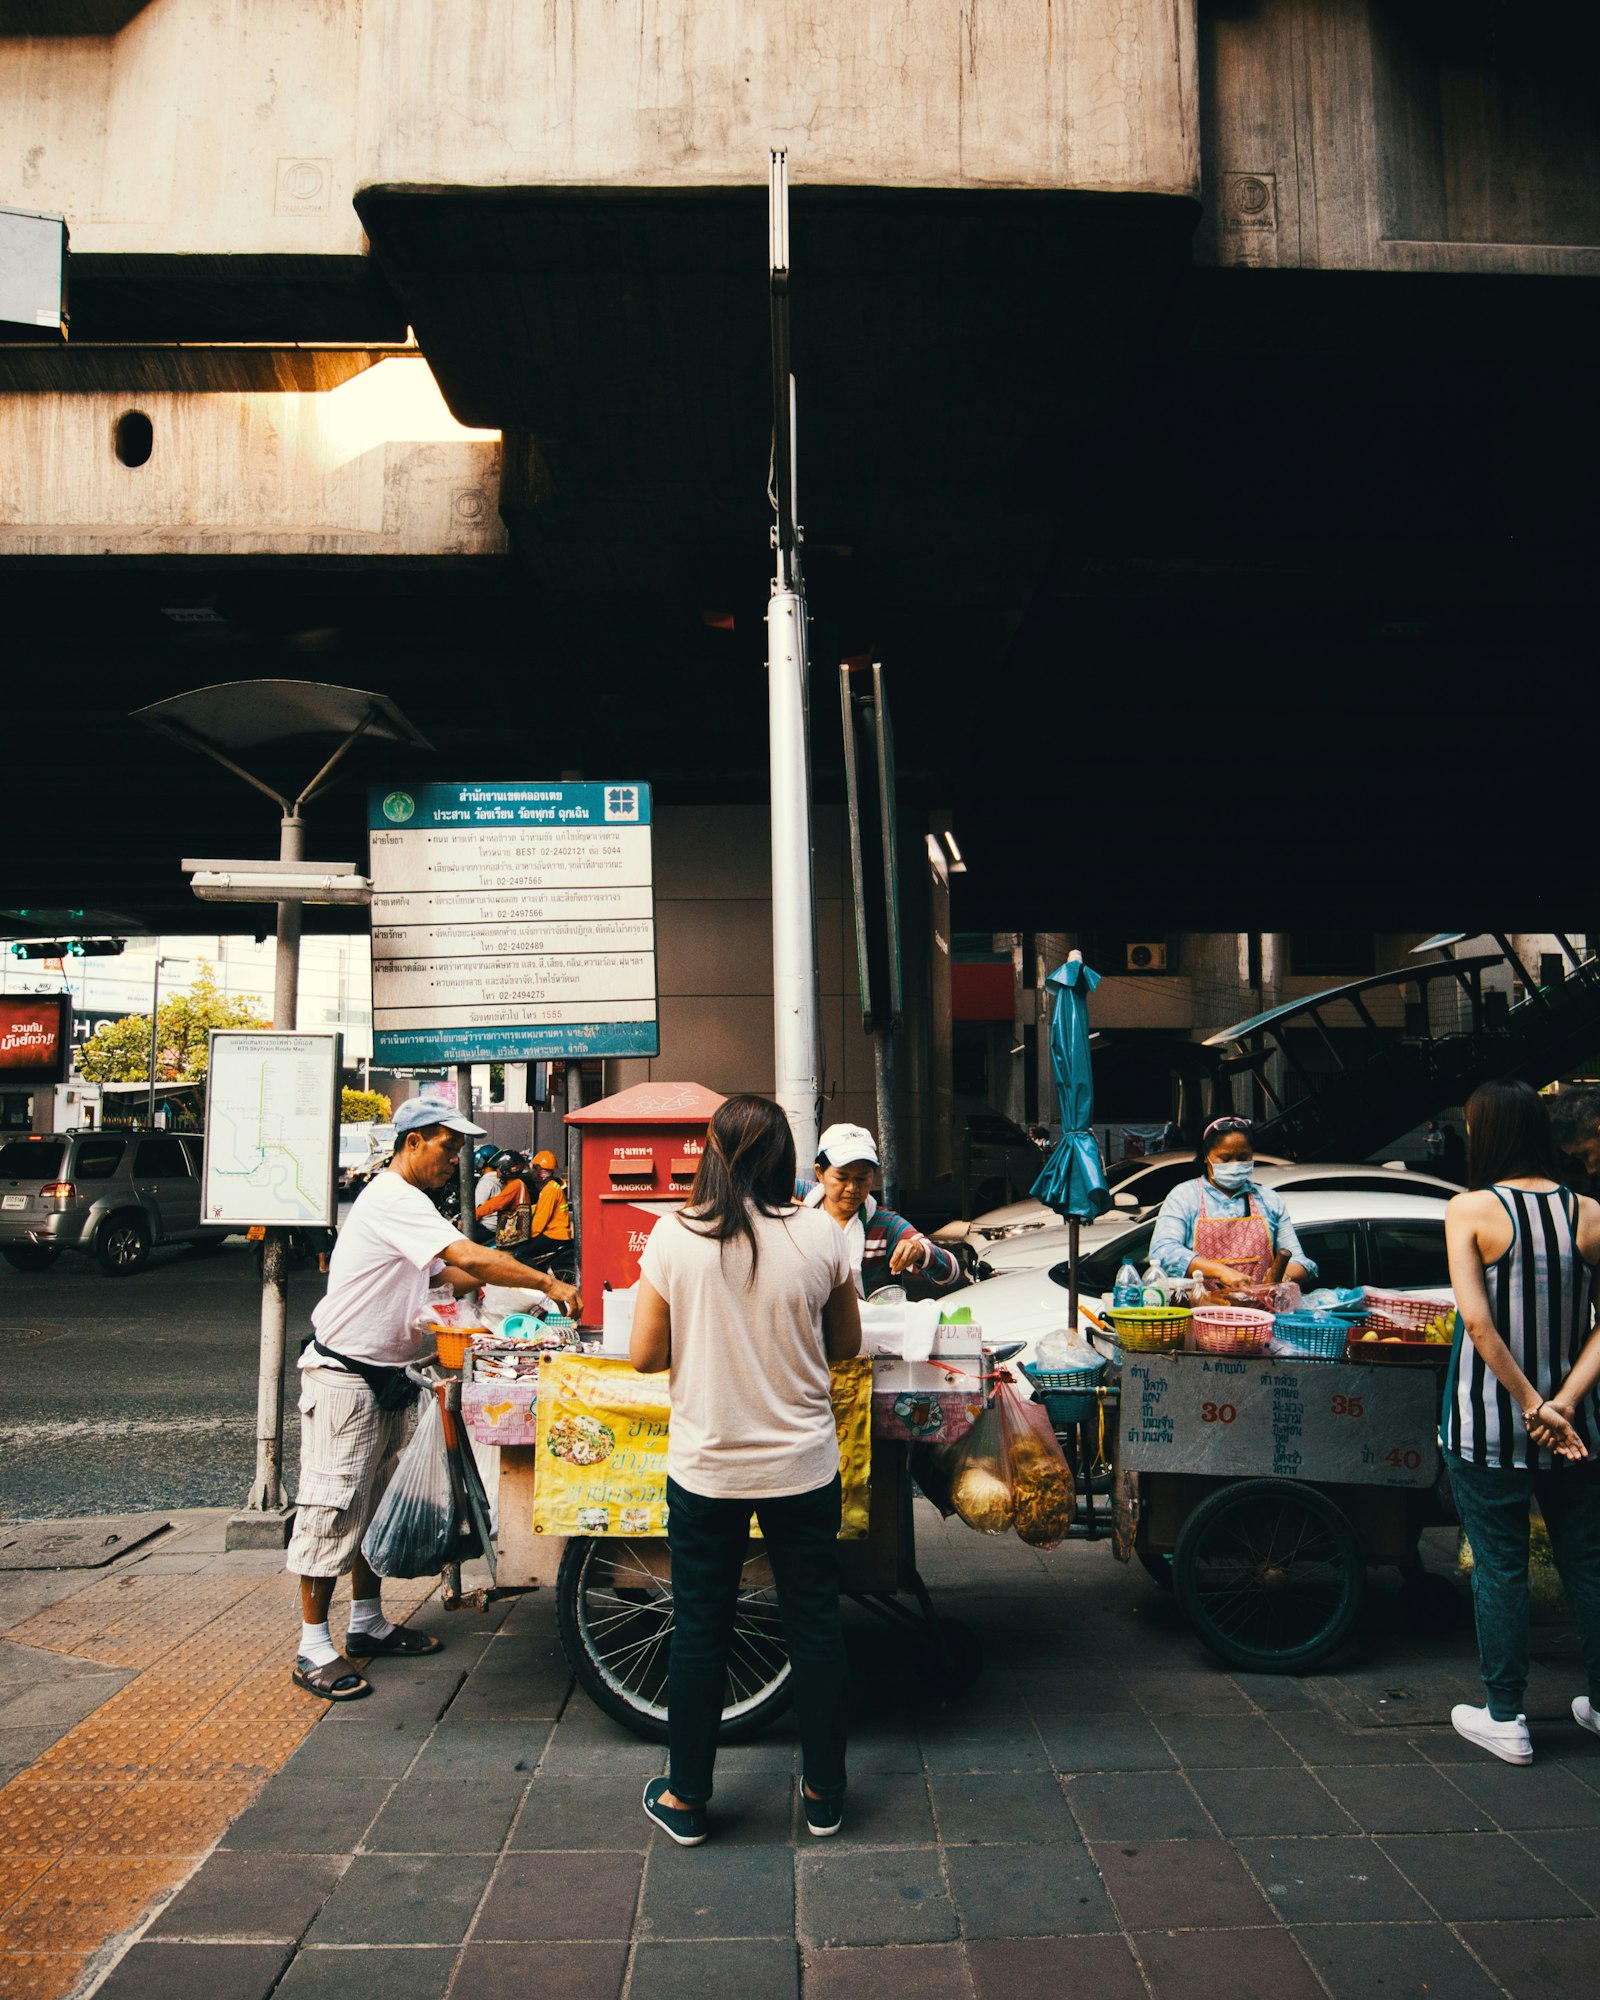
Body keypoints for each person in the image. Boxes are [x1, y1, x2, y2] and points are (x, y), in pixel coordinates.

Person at [288, 1098, 581, 1702]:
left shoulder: (411, 1203)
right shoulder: (394, 1197)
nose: (456, 1159)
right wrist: (548, 1283)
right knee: (333, 1500)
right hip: (344, 1377)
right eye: (448, 1147)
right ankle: (311, 1645)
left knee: (373, 1502)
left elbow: (456, 1276)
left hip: (391, 1373)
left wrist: (521, 1282)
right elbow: (466, 1256)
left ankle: (364, 1622)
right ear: (414, 1142)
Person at [629, 1094, 862, 1846]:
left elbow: (643, 1355)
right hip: (802, 1465)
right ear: (790, 1157)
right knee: (816, 1628)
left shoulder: (674, 1237)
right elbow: (848, 1343)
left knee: (700, 1631)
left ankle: (688, 1800)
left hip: (709, 1469)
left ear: (713, 1152)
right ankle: (825, 1794)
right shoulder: (823, 1236)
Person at [1442, 1077, 1600, 1765]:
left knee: (1500, 1569)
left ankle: (1506, 1715)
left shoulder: (1470, 1209)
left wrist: (1532, 1406)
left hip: (1486, 1424)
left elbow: (1477, 1324)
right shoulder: (1589, 1211)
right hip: (1578, 1428)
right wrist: (1564, 1404)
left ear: (1488, 1133)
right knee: (1588, 1565)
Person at [1149, 1114, 1317, 1295]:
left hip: (1259, 1315)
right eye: (1226, 1158)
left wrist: (1283, 1275)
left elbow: (1302, 1262)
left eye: (1243, 1157)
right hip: (1201, 1313)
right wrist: (1221, 1272)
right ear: (1206, 1157)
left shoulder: (1269, 1200)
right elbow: (1163, 1252)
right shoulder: (1184, 1197)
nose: (1235, 1164)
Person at [797, 1123, 962, 1297]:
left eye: (862, 1178)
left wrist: (919, 1251)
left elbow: (951, 1274)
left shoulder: (884, 1225)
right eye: (841, 1177)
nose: (852, 1188)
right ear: (820, 1173)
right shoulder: (799, 1195)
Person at [522, 1148, 575, 1273]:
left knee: (520, 1253)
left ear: (542, 1172)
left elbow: (541, 1219)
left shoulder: (550, 1190)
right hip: (556, 1232)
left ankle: (537, 1281)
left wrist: (527, 1237)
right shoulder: (551, 1187)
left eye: (535, 1169)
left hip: (554, 1234)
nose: (532, 1172)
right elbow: (541, 1208)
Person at [472, 1145, 507, 1244]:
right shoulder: (503, 1179)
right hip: (499, 1227)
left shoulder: (486, 1182)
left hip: (487, 1227)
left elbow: (477, 1209)